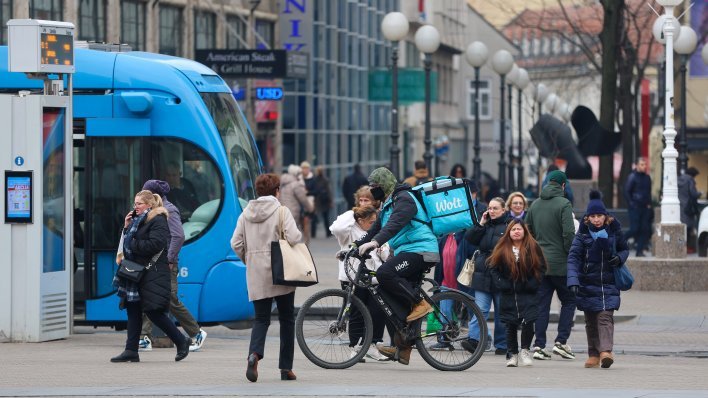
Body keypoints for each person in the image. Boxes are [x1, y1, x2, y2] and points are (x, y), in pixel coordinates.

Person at [353, 167, 440, 365]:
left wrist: (375, 243)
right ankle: (403, 347)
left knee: (385, 273)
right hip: (407, 251)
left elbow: (395, 225)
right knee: (387, 292)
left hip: (421, 250)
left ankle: (420, 303)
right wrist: (353, 247)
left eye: (376, 187)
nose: (373, 191)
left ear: (385, 184)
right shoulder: (386, 205)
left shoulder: (405, 199)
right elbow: (374, 230)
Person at [231, 173, 301, 382]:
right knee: (287, 319)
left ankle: (254, 355)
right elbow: (294, 236)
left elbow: (235, 242)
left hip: (256, 272)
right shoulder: (281, 211)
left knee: (261, 319)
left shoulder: (245, 213)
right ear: (277, 191)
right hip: (282, 272)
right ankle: (285, 368)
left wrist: (249, 258)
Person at [110, 190, 191, 363]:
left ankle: (181, 341)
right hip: (136, 272)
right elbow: (126, 243)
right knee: (133, 310)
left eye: (139, 203)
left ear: (150, 205)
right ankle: (131, 350)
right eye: (135, 203)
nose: (135, 207)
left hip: (151, 273)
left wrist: (134, 243)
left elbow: (156, 244)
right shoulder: (137, 220)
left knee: (154, 312)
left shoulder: (158, 220)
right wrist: (126, 226)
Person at [138, 180, 207, 353]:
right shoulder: (153, 211)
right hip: (155, 262)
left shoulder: (169, 210)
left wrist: (169, 259)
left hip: (166, 263)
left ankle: (197, 333)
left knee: (169, 299)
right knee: (149, 296)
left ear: (155, 196)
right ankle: (144, 337)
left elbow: (178, 236)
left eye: (147, 193)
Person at [567, 191, 629, 369]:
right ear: (587, 218)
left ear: (605, 216)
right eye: (592, 216)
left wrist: (620, 258)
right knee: (591, 322)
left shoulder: (614, 231)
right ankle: (593, 354)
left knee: (604, 318)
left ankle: (606, 352)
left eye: (599, 215)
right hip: (587, 283)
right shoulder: (582, 235)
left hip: (608, 284)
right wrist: (573, 280)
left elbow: (625, 249)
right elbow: (573, 258)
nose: (596, 219)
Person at [525, 170, 577, 361]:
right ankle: (561, 342)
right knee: (569, 301)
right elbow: (568, 234)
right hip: (561, 264)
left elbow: (526, 232)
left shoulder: (535, 204)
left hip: (540, 264)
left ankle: (538, 345)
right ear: (563, 185)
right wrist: (571, 255)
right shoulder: (564, 204)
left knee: (541, 306)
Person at [330, 203, 389, 362]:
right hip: (352, 277)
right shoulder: (348, 232)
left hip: (374, 277)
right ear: (360, 220)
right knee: (356, 313)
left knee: (377, 312)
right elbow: (336, 228)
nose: (372, 225)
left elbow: (385, 253)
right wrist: (353, 212)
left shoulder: (375, 232)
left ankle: (372, 345)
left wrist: (382, 250)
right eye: (370, 221)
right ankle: (354, 347)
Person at [488, 219, 546, 367]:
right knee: (510, 325)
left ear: (524, 231)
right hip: (509, 294)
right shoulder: (502, 248)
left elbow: (541, 268)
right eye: (513, 229)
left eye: (519, 229)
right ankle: (512, 354)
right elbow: (493, 268)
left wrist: (533, 283)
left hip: (528, 293)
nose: (516, 231)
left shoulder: (533, 247)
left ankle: (525, 351)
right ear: (509, 232)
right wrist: (502, 284)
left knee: (528, 322)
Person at [461, 197, 510, 355]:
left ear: (503, 210)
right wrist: (481, 223)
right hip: (482, 272)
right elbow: (469, 239)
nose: (492, 211)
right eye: (489, 208)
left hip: (501, 273)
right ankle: (474, 340)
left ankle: (502, 344)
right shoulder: (485, 225)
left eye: (495, 208)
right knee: (480, 309)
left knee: (501, 312)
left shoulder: (509, 225)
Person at [623, 157, 652, 257]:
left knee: (644, 229)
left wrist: (649, 204)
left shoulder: (647, 178)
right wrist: (631, 203)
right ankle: (618, 241)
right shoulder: (632, 176)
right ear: (637, 165)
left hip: (644, 207)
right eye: (642, 164)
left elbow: (648, 192)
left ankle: (639, 251)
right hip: (635, 207)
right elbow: (627, 191)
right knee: (634, 229)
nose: (644, 167)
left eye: (645, 165)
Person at [279, 165, 313, 241]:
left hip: (282, 210)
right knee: (292, 232)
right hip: (293, 211)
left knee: (284, 231)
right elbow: (303, 199)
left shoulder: (282, 182)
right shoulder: (295, 184)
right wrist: (310, 208)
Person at [679, 167, 702, 254]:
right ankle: (686, 247)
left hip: (680, 206)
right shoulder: (690, 180)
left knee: (681, 229)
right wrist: (700, 193)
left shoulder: (679, 179)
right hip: (688, 208)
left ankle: (680, 247)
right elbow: (693, 193)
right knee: (688, 229)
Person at [313, 166, 333, 238]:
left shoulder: (314, 180)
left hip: (317, 200)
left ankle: (313, 233)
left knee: (315, 217)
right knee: (325, 217)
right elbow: (329, 191)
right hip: (324, 200)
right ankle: (328, 233)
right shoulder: (325, 180)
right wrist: (330, 201)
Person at [300, 161, 318, 241]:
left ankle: (306, 239)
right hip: (300, 203)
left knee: (306, 221)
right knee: (301, 222)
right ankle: (305, 235)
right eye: (303, 168)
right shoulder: (299, 179)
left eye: (306, 168)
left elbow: (316, 191)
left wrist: (307, 192)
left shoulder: (313, 179)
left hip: (309, 202)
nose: (305, 170)